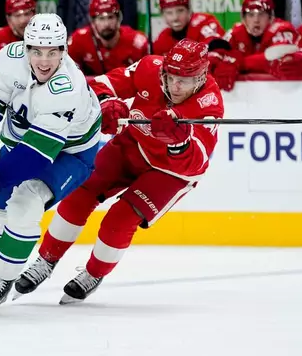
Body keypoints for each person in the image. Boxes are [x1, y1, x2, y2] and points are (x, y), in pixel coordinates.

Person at [12, 38, 224, 304]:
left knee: (120, 219)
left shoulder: (208, 105)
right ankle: (46, 260)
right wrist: (106, 103)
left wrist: (179, 143)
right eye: (170, 77)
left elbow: (197, 162)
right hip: (132, 145)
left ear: (201, 77)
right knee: (79, 192)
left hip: (171, 172)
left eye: (185, 80)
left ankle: (93, 273)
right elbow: (98, 86)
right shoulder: (149, 67)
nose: (175, 86)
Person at [0, 13, 102, 315]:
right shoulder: (10, 57)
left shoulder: (67, 87)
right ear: (25, 47)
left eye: (52, 52)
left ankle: (3, 278)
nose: (43, 61)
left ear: (64, 51)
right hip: (23, 141)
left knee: (26, 201)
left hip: (69, 153)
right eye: (36, 51)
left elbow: (36, 155)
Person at [211, 0, 297, 91]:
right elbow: (216, 56)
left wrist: (240, 63)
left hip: (280, 94)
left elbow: (277, 58)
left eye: (261, 14)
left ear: (270, 17)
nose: (256, 20)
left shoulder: (283, 30)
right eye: (251, 15)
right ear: (244, 18)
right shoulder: (235, 34)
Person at [67, 0, 148, 76]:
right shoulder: (78, 40)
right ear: (93, 21)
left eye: (110, 17)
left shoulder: (137, 42)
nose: (106, 24)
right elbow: (71, 76)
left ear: (118, 18)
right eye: (101, 18)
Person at [153, 0, 225, 56]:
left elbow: (219, 50)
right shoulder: (162, 39)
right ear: (162, 14)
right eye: (169, 13)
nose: (175, 18)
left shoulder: (204, 23)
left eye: (180, 11)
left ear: (189, 10)